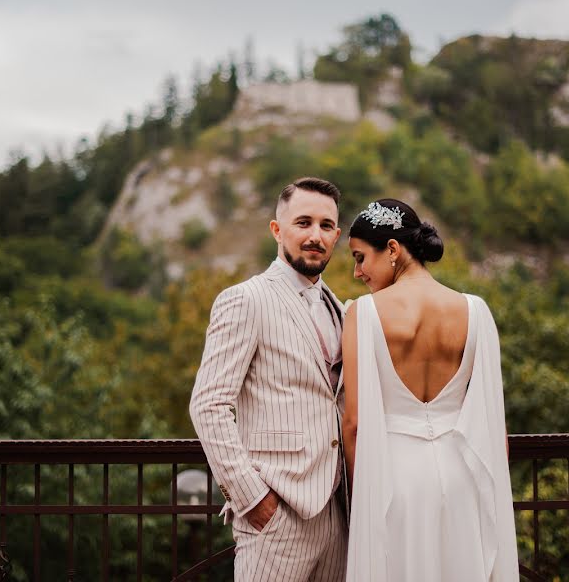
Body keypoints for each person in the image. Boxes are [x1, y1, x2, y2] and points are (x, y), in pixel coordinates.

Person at [341, 199, 519, 581]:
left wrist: (362, 496)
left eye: (360, 258)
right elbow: (492, 424)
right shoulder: (475, 311)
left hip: (394, 482)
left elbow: (354, 423)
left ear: (392, 250)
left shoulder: (364, 314)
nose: (357, 272)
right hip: (463, 479)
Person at [190, 177, 348, 581]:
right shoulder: (245, 299)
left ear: (337, 235)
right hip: (276, 516)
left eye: (326, 226)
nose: (316, 235)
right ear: (277, 230)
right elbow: (208, 404)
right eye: (304, 222)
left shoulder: (343, 310)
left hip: (340, 517)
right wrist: (252, 499)